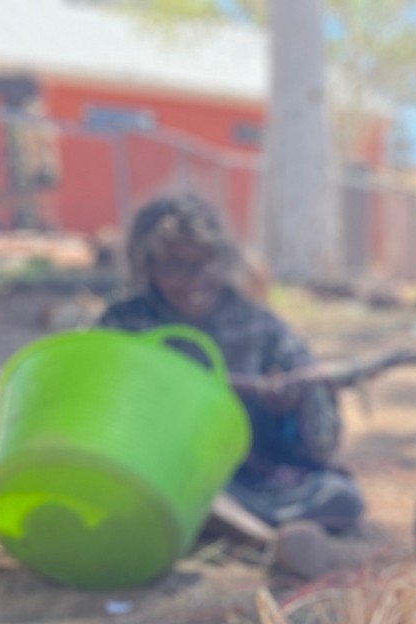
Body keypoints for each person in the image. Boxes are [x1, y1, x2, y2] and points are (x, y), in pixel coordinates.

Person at [98, 194, 363, 532]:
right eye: (176, 266)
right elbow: (108, 403)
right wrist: (238, 387)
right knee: (143, 495)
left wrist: (295, 397)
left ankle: (231, 524)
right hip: (159, 468)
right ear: (147, 267)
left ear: (224, 260)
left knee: (340, 498)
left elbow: (306, 383)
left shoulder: (255, 321)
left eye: (206, 261)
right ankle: (257, 535)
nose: (195, 278)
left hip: (248, 479)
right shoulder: (125, 322)